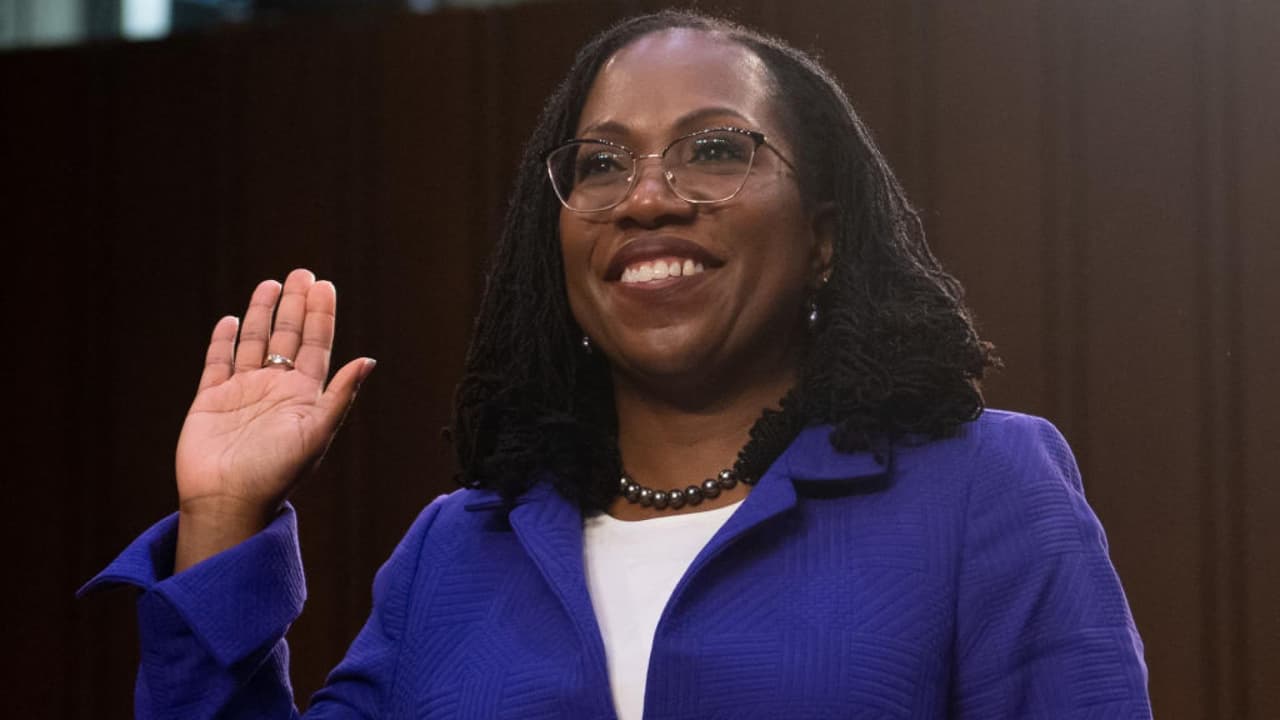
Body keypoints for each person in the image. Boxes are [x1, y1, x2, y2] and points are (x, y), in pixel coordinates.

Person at [81, 9, 1152, 719]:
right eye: (600, 164)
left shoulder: (979, 489)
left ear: (824, 237)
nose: (645, 197)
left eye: (715, 149)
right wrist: (221, 521)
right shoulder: (455, 551)